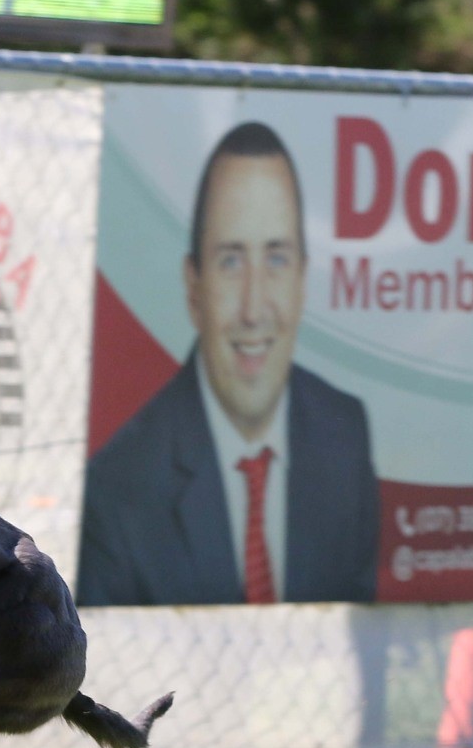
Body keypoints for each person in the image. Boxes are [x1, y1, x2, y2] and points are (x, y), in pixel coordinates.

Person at [79, 121, 378, 606]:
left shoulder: (345, 434)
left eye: (277, 259)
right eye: (231, 261)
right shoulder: (119, 491)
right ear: (193, 287)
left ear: (303, 278)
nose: (255, 308)